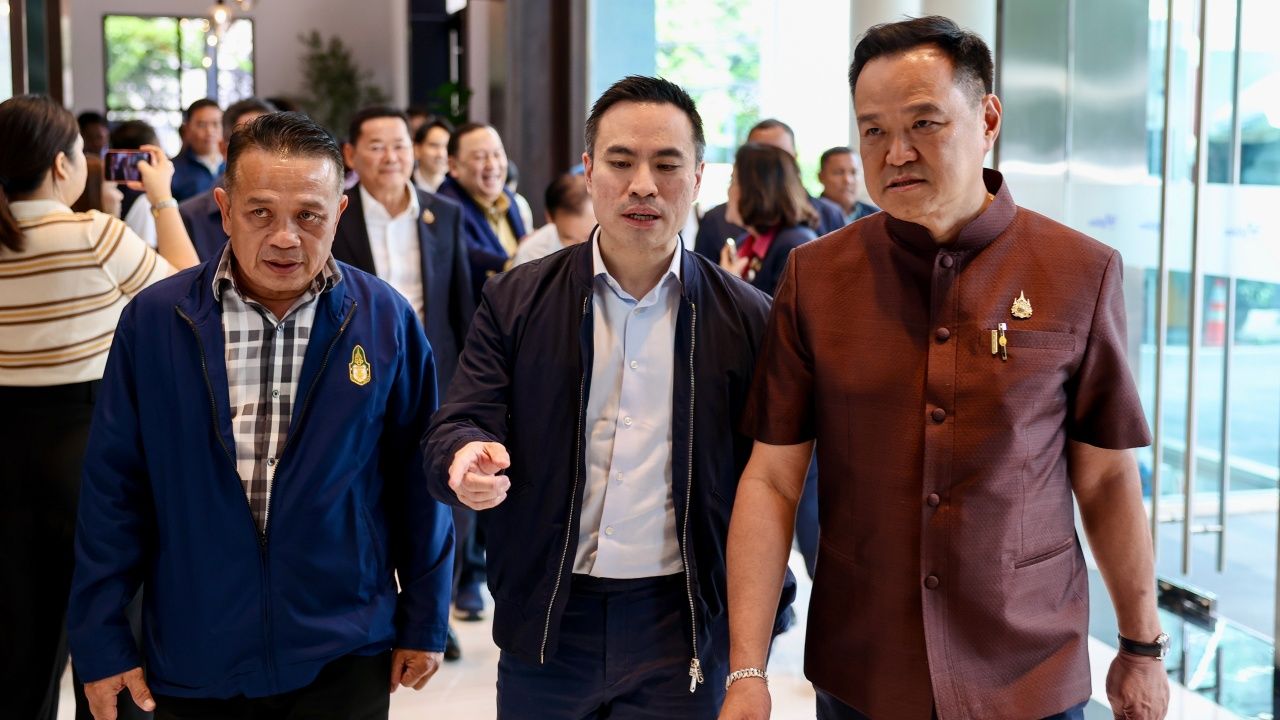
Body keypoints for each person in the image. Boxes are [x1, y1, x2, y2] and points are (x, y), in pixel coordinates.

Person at [719, 16, 1169, 720]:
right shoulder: (817, 278)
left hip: (1028, 666)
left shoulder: (1079, 272)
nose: (896, 152)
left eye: (924, 123)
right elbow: (773, 478)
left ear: (987, 119)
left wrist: (1141, 645)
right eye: (873, 130)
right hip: (866, 665)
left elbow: (1108, 477)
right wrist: (747, 668)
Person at [424, 74, 792, 719]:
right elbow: (459, 420)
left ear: (697, 179)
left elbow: (773, 482)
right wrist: (463, 456)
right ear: (590, 171)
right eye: (621, 162)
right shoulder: (517, 299)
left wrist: (751, 653)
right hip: (548, 613)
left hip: (682, 618)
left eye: (667, 165)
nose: (642, 185)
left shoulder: (749, 319)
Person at [67, 112, 455, 720]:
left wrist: (426, 619)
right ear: (224, 210)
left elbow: (419, 481)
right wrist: (100, 636)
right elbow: (113, 489)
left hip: (344, 645)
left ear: (339, 213)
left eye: (309, 215)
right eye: (261, 213)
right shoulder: (156, 320)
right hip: (196, 645)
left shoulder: (386, 319)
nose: (285, 238)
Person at [0, 93, 199, 720]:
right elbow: (189, 291)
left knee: (16, 651)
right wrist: (161, 197)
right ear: (62, 165)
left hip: (4, 457)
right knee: (111, 639)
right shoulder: (93, 234)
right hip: (87, 451)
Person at [693, 119, 844, 261]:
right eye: (757, 157)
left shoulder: (822, 221)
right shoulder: (720, 223)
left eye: (776, 160)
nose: (766, 171)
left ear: (793, 160)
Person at [177, 97, 278, 261]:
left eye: (273, 142)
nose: (265, 153)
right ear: (224, 149)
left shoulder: (304, 212)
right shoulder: (189, 217)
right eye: (250, 143)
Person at [436, 122, 527, 301]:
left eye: (497, 154)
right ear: (453, 166)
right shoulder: (444, 207)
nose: (492, 164)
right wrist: (521, 265)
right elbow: (470, 254)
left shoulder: (507, 196)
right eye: (479, 157)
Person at [718, 143, 818, 295]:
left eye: (733, 181)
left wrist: (731, 285)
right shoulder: (746, 242)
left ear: (756, 189)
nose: (728, 190)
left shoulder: (796, 246)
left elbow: (783, 310)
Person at [511, 173, 595, 266]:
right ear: (550, 218)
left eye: (589, 236)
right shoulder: (531, 257)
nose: (583, 248)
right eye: (570, 239)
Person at [169, 98, 224, 201]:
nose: (210, 131)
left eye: (215, 124)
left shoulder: (233, 164)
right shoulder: (172, 170)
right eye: (202, 125)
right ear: (187, 128)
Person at [817, 146, 878, 225]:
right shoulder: (810, 217)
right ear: (821, 177)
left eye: (854, 172)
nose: (848, 180)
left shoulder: (877, 218)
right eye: (838, 172)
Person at [412, 116, 453, 193]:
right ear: (417, 150)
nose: (441, 154)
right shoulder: (404, 187)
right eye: (434, 145)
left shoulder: (459, 191)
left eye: (447, 147)